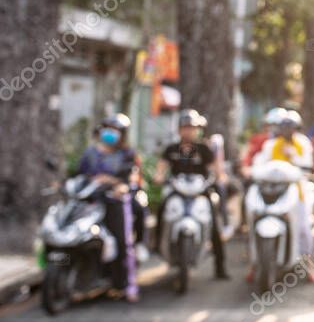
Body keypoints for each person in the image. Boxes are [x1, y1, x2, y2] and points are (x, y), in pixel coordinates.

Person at [75, 114, 147, 302]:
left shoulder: (127, 154)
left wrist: (113, 183)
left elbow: (130, 179)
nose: (110, 133)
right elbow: (79, 174)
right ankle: (82, 281)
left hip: (116, 200)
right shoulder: (91, 152)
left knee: (123, 242)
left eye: (115, 130)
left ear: (122, 134)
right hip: (91, 201)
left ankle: (128, 285)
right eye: (107, 128)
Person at [153, 109, 229, 279]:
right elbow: (162, 166)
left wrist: (220, 177)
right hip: (176, 190)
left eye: (192, 127)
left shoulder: (204, 148)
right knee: (162, 209)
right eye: (185, 127)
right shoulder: (172, 148)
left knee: (214, 222)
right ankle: (156, 245)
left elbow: (215, 169)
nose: (189, 131)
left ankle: (220, 266)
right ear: (179, 129)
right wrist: (158, 176)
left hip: (200, 190)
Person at [253, 109, 314, 283]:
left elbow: (308, 165)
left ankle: (308, 263)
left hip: (296, 190)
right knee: (254, 215)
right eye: (284, 127)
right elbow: (261, 164)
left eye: (291, 127)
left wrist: (294, 157)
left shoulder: (302, 144)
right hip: (273, 189)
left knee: (304, 227)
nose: (288, 131)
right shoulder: (271, 144)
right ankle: (255, 264)